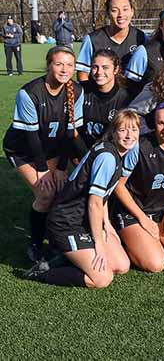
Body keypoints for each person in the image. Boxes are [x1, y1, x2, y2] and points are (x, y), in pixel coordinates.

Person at [22, 110, 138, 287]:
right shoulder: (107, 157)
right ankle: (44, 271)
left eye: (134, 130)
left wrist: (106, 224)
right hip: (66, 224)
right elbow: (94, 203)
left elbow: (103, 196)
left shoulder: (117, 153)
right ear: (113, 132)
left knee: (121, 265)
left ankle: (65, 256)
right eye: (123, 130)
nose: (129, 135)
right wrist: (99, 243)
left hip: (84, 221)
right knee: (102, 279)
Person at [3, 46, 84, 263]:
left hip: (52, 149)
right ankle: (35, 245)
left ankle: (56, 240)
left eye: (69, 65)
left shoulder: (76, 91)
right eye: (59, 64)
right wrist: (43, 171)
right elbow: (31, 138)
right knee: (45, 194)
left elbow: (70, 134)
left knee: (61, 190)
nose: (64, 69)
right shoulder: (29, 92)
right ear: (48, 65)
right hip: (22, 150)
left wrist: (59, 168)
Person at [113, 103, 164, 272]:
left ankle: (149, 240)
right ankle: (125, 237)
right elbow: (118, 186)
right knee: (156, 264)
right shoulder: (140, 146)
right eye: (161, 123)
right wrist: (143, 219)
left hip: (162, 210)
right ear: (154, 123)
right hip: (134, 212)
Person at [76, 0, 146, 81]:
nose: (121, 14)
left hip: (132, 94)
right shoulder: (92, 39)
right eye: (114, 10)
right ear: (108, 13)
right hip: (99, 93)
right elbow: (82, 74)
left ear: (132, 11)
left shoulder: (141, 37)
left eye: (125, 9)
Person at [78, 50, 132, 152]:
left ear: (115, 69)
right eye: (95, 67)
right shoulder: (81, 91)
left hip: (110, 152)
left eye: (105, 67)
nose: (99, 72)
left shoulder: (125, 98)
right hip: (82, 151)